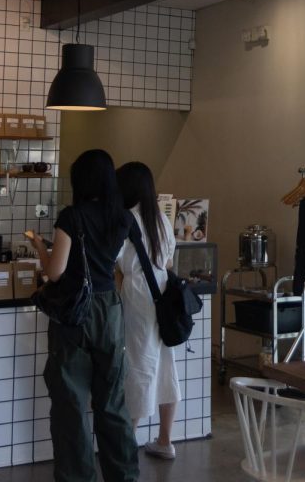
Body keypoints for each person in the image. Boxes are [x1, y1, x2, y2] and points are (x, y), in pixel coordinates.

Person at [28, 149, 137, 482]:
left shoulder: (71, 217)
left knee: (71, 404)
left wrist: (38, 247)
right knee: (113, 402)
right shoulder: (123, 217)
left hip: (76, 313)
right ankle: (124, 476)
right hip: (111, 309)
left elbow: (56, 273)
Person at [115, 161, 180, 460]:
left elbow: (110, 260)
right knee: (165, 366)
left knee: (139, 365)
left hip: (139, 296)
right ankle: (165, 440)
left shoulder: (126, 219)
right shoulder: (161, 219)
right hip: (163, 293)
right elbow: (167, 261)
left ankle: (126, 446)